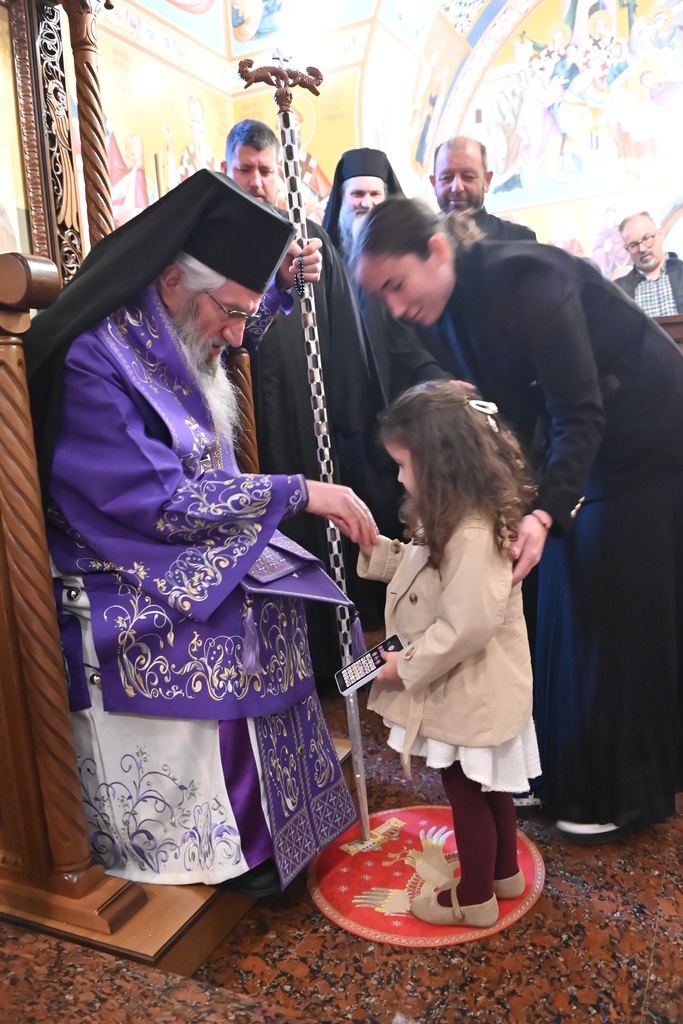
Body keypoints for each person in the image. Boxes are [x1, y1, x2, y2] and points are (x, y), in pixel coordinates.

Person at [23, 171, 380, 898]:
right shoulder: (97, 358)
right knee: (231, 616)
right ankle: (228, 847)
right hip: (108, 562)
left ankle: (279, 825)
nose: (240, 335)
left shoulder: (177, 323)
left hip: (173, 543)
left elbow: (214, 348)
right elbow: (154, 500)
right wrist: (297, 492)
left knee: (281, 583)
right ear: (171, 281)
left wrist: (273, 298)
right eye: (233, 312)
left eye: (248, 312)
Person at [352, 195, 683, 843]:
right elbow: (514, 410)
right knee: (556, 597)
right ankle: (559, 771)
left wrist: (543, 512)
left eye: (395, 284)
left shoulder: (527, 282)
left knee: (609, 598)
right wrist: (519, 502)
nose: (393, 307)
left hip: (645, 434)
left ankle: (621, 791)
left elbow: (577, 411)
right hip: (578, 440)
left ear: (436, 252)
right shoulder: (438, 312)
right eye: (380, 295)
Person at [357, 382, 540, 927]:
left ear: (439, 463)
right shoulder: (460, 516)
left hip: (470, 686)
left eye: (403, 465)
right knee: (486, 784)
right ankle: (503, 872)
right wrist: (374, 550)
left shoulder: (472, 531)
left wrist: (404, 664)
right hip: (476, 685)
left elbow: (466, 625)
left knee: (464, 787)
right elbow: (426, 573)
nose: (398, 478)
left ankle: (474, 897)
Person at [223, 119, 386, 657]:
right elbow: (235, 330)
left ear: (281, 174)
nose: (256, 181)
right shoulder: (213, 239)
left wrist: (347, 418)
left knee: (319, 531)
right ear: (226, 168)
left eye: (266, 170)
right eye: (245, 169)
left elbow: (339, 326)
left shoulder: (308, 237)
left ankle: (331, 654)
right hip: (244, 419)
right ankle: (283, 659)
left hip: (307, 416)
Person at [323, 147, 450, 401]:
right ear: (342, 196)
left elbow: (409, 339)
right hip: (342, 395)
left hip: (398, 391)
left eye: (374, 194)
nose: (366, 203)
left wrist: (436, 380)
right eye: (357, 194)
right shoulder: (324, 257)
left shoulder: (408, 257)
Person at [430, 136, 537, 241]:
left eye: (468, 176)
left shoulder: (518, 239)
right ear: (434, 183)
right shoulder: (421, 240)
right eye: (446, 178)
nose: (457, 187)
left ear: (487, 181)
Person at [615, 211, 683, 314]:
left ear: (660, 234)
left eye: (646, 238)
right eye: (633, 245)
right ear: (626, 248)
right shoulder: (618, 292)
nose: (642, 249)